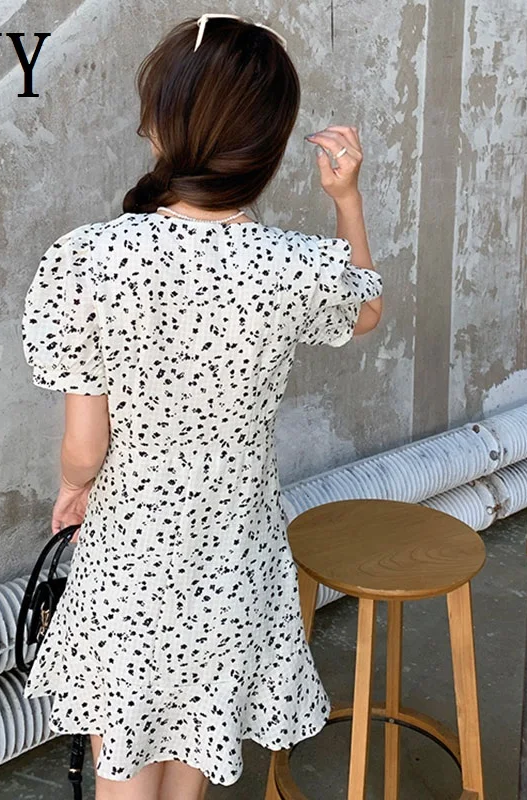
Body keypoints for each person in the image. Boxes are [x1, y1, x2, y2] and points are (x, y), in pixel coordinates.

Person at [20, 13, 384, 800]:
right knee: (198, 735)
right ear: (270, 147)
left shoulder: (90, 259)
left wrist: (75, 488)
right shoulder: (293, 267)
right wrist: (347, 198)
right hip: (234, 547)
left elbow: (85, 446)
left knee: (124, 762)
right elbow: (364, 309)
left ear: (157, 126)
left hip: (134, 548)